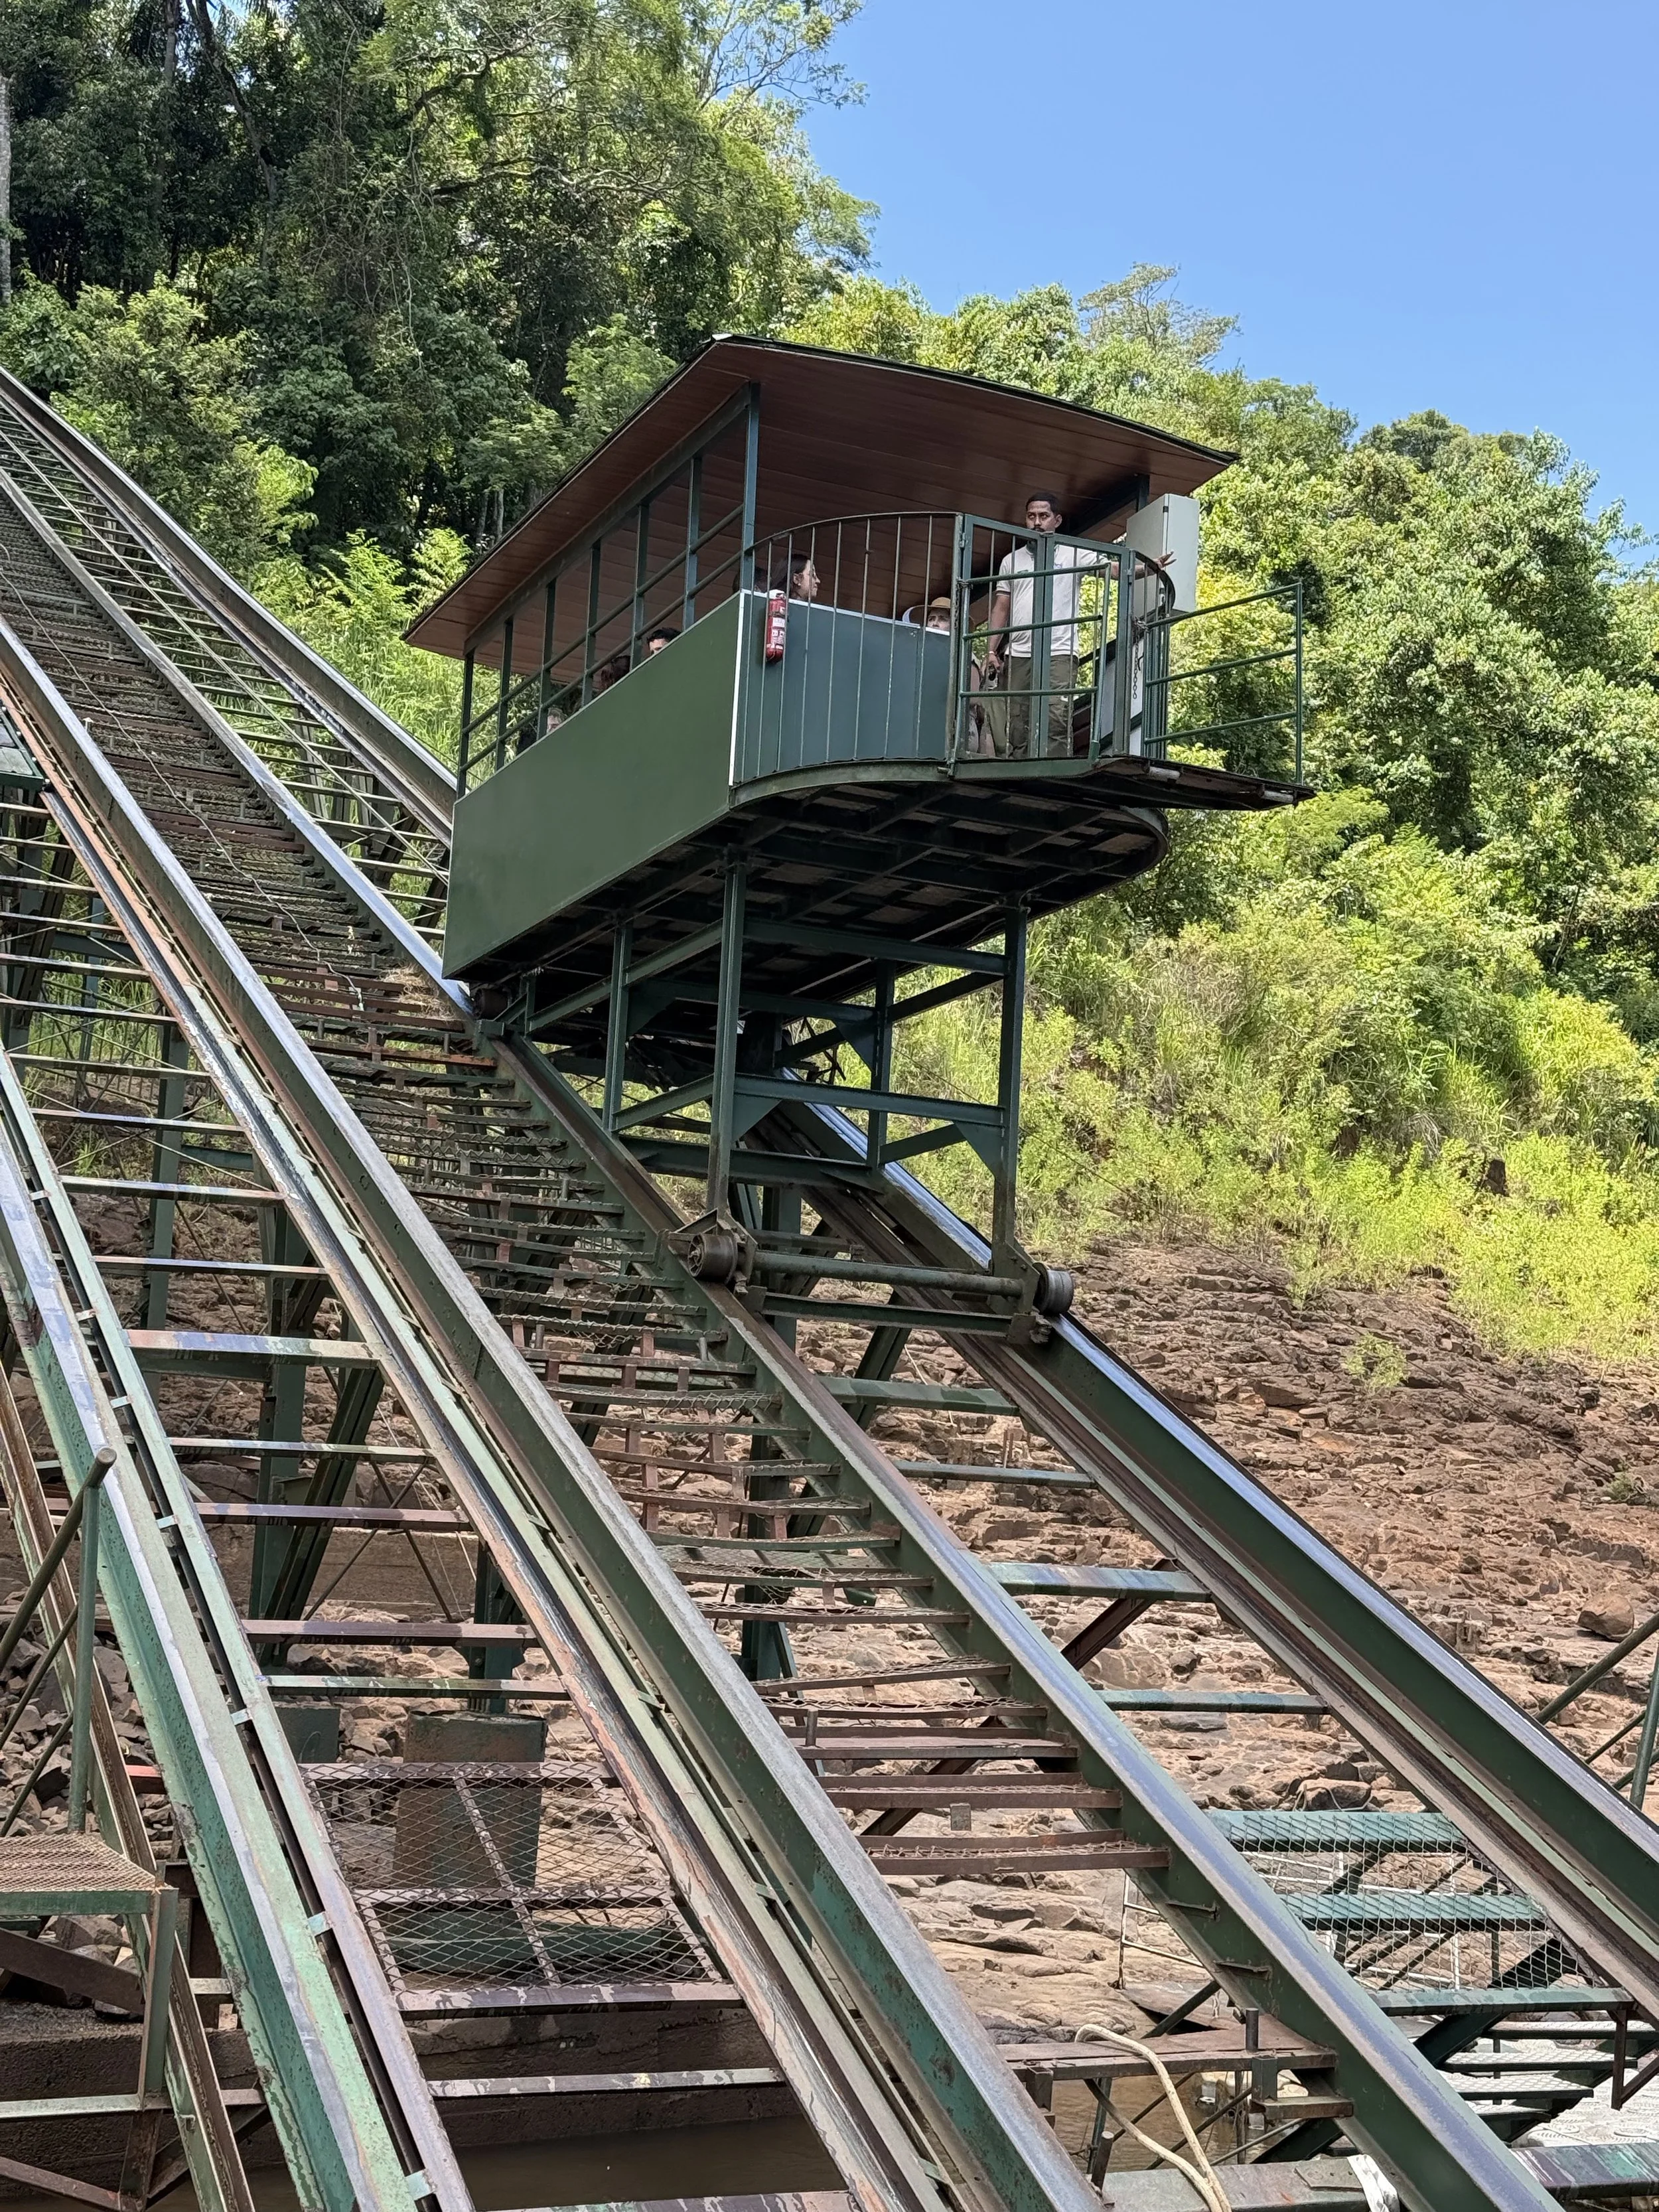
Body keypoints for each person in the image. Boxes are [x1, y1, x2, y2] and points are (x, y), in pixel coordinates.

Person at [982, 490, 1106, 760]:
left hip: (1059, 650)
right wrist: (990, 650)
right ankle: (1021, 771)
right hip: (1019, 653)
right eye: (1031, 516)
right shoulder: (1011, 560)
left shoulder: (1074, 553)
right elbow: (1001, 607)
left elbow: (1113, 569)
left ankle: (1053, 770)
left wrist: (1145, 569)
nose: (1037, 522)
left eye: (1044, 516)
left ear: (1057, 520)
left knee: (1055, 715)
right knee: (1018, 720)